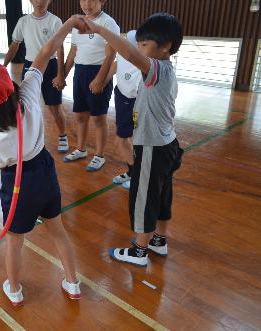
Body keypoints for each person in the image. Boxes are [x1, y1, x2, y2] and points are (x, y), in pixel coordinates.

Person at [0, 16, 91, 306]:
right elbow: (45, 53)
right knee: (58, 230)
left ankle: (15, 289)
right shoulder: (29, 92)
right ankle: (72, 282)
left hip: (18, 181)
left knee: (15, 240)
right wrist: (69, 24)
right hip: (44, 169)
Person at [82, 13, 184, 266]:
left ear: (166, 46)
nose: (140, 50)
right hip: (167, 144)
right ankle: (159, 241)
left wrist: (98, 29)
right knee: (161, 195)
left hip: (152, 148)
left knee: (144, 198)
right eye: (139, 44)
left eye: (144, 45)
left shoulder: (157, 69)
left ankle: (140, 250)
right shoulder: (167, 70)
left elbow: (128, 55)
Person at [3, 0, 68, 153]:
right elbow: (15, 44)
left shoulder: (55, 21)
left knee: (55, 107)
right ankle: (30, 139)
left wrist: (60, 74)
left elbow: (59, 49)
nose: (40, 2)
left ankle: (63, 136)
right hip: (30, 66)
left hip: (50, 66)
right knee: (26, 105)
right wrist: (3, 65)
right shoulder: (23, 21)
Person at [63, 0, 119, 172]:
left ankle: (99, 155)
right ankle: (81, 149)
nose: (87, 4)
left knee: (99, 118)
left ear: (102, 1)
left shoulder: (108, 23)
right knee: (80, 115)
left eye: (92, 0)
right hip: (80, 72)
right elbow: (73, 51)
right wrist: (63, 75)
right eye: (83, 0)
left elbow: (111, 53)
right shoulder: (77, 22)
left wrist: (100, 79)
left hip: (98, 71)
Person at [104, 30, 142, 190]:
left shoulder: (143, 59)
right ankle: (132, 171)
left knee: (129, 139)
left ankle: (137, 175)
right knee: (124, 138)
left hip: (136, 101)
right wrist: (103, 81)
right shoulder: (122, 53)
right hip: (121, 97)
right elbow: (115, 65)